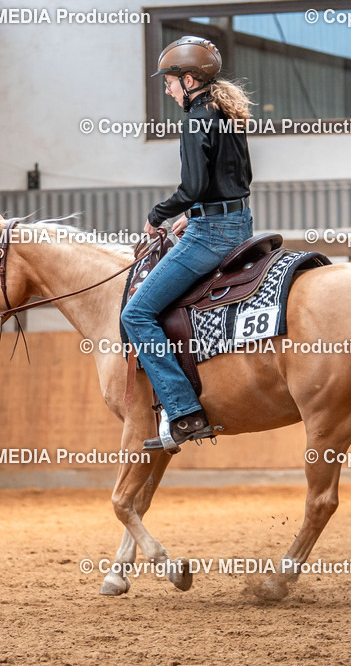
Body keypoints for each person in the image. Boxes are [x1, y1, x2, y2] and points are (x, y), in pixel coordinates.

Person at [121, 36, 255, 453]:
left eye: (170, 81)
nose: (167, 89)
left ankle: (182, 411)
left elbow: (193, 185)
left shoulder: (197, 118)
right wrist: (191, 213)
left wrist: (158, 214)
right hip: (238, 222)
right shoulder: (225, 111)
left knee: (137, 313)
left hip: (212, 235)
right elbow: (229, 182)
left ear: (190, 80)